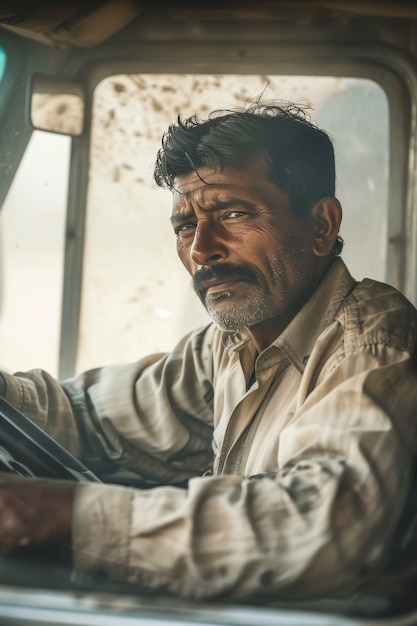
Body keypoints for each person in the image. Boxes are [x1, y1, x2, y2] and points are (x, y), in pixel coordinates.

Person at [0, 101, 416, 604]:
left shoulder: (372, 344)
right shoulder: (229, 343)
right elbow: (90, 418)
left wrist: (67, 512)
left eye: (233, 214)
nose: (201, 249)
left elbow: (321, 529)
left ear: (322, 227)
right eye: (184, 226)